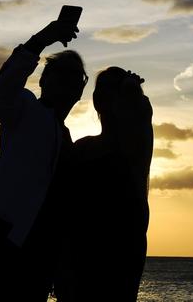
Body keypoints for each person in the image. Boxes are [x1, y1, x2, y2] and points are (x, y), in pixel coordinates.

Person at [0, 20, 85, 301]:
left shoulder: (67, 139)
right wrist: (42, 39)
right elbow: (1, 91)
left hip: (40, 253)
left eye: (76, 78)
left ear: (80, 91)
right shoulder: (24, 108)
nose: (69, 84)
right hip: (4, 241)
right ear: (44, 80)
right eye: (62, 75)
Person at [56, 67, 154, 301]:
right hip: (78, 259)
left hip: (120, 256)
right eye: (100, 90)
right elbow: (63, 210)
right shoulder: (82, 147)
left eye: (111, 90)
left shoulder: (134, 149)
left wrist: (130, 89)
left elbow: (141, 113)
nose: (103, 96)